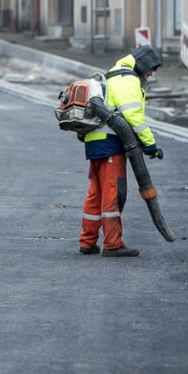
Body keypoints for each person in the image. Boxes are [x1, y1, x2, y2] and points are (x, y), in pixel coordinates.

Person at [79, 44, 163, 258]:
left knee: (95, 193)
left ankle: (87, 242)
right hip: (111, 143)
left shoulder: (112, 74)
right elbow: (133, 117)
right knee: (113, 194)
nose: (152, 74)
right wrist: (150, 144)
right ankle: (113, 244)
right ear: (143, 64)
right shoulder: (128, 79)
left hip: (95, 140)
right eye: (152, 69)